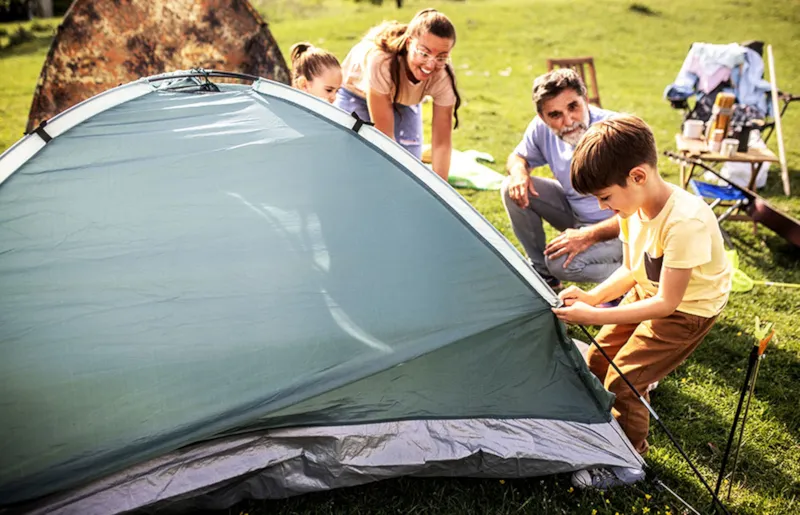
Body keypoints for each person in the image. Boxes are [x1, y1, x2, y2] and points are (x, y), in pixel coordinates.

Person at [552, 114, 732, 489]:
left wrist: (596, 316)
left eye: (605, 197)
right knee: (598, 359)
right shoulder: (632, 209)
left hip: (685, 312)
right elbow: (633, 270)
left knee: (625, 380)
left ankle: (628, 459)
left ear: (637, 176)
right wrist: (593, 297)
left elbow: (668, 303)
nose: (603, 207)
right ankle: (608, 428)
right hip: (649, 292)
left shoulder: (685, 222)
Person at [502, 69, 622, 290]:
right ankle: (542, 273)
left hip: (623, 227)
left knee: (559, 262)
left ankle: (635, 276)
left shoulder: (616, 131)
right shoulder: (540, 128)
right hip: (576, 215)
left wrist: (588, 235)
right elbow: (517, 157)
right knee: (510, 186)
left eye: (573, 107)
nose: (568, 121)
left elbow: (644, 210)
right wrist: (519, 171)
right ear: (543, 117)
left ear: (585, 99)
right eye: (555, 115)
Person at [334, 9, 461, 180]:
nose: (431, 65)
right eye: (424, 53)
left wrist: (442, 195)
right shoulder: (381, 61)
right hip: (356, 92)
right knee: (359, 160)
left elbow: (441, 145)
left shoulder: (444, 76)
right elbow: (385, 138)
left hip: (402, 98)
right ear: (409, 43)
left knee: (410, 166)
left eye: (441, 57)